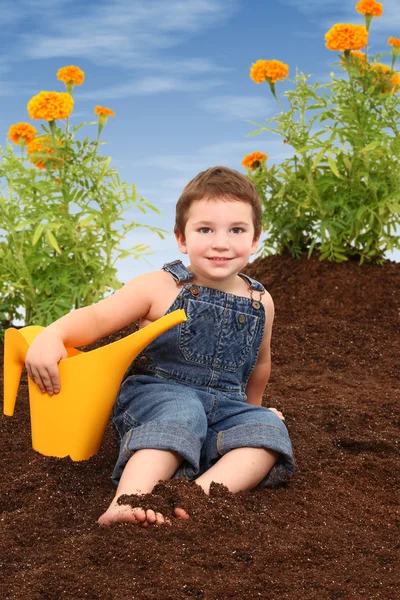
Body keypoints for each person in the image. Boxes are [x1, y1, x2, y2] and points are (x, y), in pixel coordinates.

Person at [25, 166, 296, 527]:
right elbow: (96, 318)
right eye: (205, 230)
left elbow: (259, 364)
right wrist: (53, 335)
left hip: (226, 404)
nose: (221, 242)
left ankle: (199, 497)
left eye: (236, 230)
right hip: (160, 396)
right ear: (181, 239)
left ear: (255, 238)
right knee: (182, 414)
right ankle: (126, 502)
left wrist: (251, 413)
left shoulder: (261, 301)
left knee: (268, 433)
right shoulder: (161, 286)